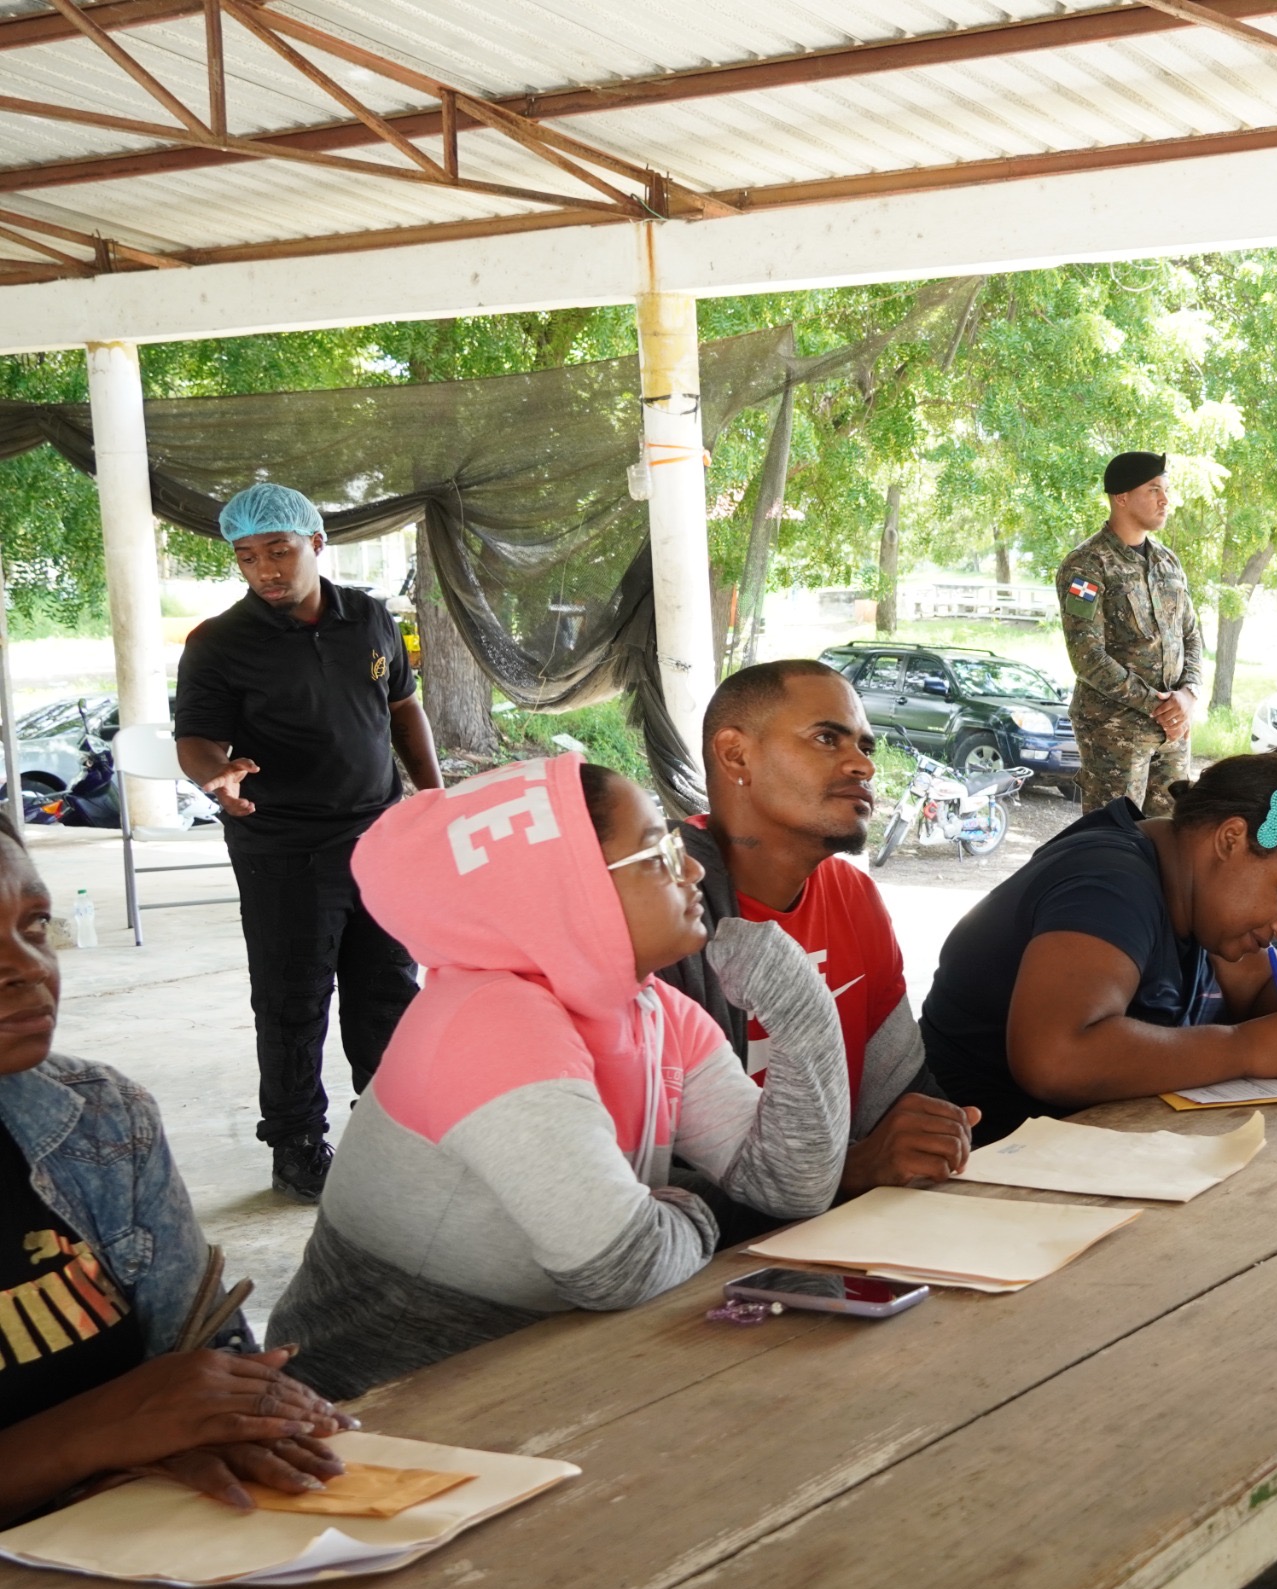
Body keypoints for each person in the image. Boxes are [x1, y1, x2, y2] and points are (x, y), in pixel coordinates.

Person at [268, 756, 849, 1400]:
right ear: (567, 893)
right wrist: (700, 1210)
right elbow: (620, 1268)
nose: (693, 871)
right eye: (657, 854)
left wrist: (804, 1014)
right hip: (374, 1406)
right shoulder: (491, 1019)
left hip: (529, 1371)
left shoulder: (651, 1009)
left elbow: (789, 1185)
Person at [0, 822, 357, 1524]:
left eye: (33, 924)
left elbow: (205, 1377)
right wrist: (98, 1432)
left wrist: (218, 1428)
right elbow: (153, 1407)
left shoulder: (100, 1121)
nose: (28, 966)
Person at [920, 752, 1277, 1145]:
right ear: (1232, 839)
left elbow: (1262, 984)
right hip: (976, 1159)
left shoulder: (1195, 887)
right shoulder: (1108, 885)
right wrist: (1242, 1048)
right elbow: (1056, 1058)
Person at [175, 483, 441, 1202]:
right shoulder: (219, 643)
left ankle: (393, 1131)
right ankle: (295, 1143)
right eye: (248, 555)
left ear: (316, 545)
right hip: (283, 848)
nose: (265, 568)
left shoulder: (370, 617)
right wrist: (216, 777)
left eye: (279, 550)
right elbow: (195, 737)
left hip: (378, 837)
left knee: (387, 988)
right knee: (294, 1000)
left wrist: (432, 797)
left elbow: (403, 709)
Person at [659, 661, 977, 1228]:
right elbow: (636, 1184)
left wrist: (929, 1133)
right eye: (827, 739)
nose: (863, 764)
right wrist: (847, 1171)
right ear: (736, 756)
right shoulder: (657, 913)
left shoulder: (852, 894)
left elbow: (898, 1090)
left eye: (864, 745)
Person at [1057, 452, 1203, 818]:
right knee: (1114, 842)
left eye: (1166, 489)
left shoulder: (1168, 562)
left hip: (1172, 732)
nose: (1165, 499)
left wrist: (1188, 694)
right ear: (1121, 497)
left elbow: (1191, 634)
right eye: (1154, 489)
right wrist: (1159, 705)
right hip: (1114, 733)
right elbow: (1087, 657)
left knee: (1172, 837)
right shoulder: (1087, 565)